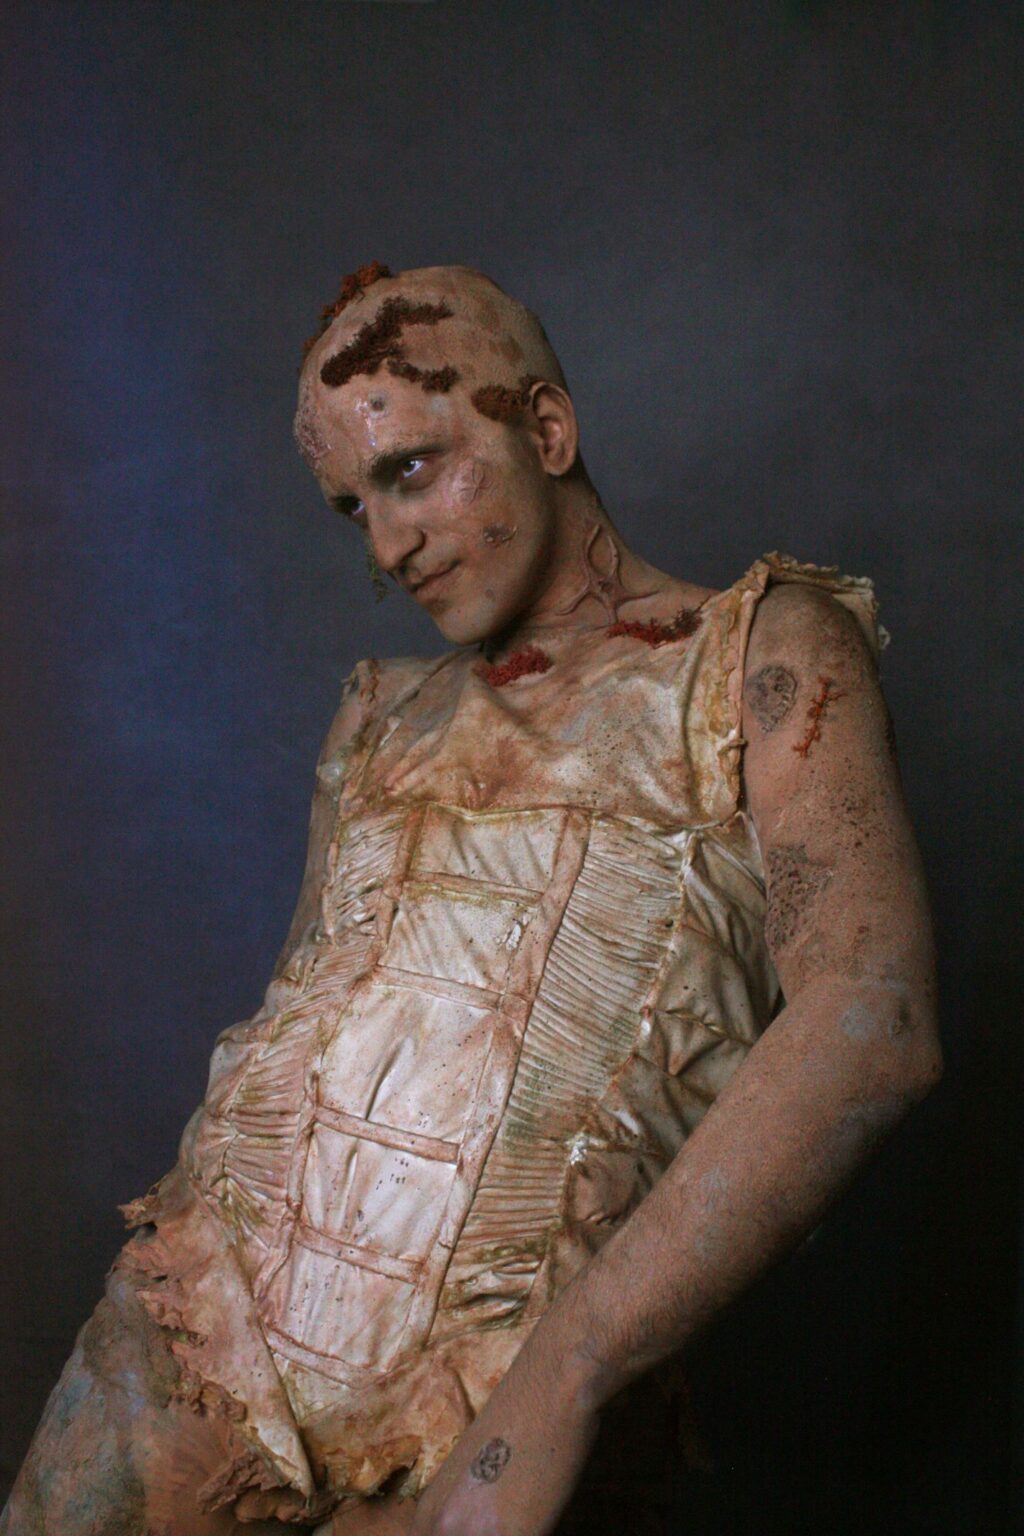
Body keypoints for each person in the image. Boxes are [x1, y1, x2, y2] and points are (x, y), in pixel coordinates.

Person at [3, 264, 941, 1536]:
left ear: (544, 429)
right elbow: (304, 1029)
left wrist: (566, 1376)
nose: (387, 545)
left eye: (410, 471)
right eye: (354, 507)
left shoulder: (760, 654)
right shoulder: (379, 714)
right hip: (193, 1351)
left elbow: (871, 1021)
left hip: (495, 1394)